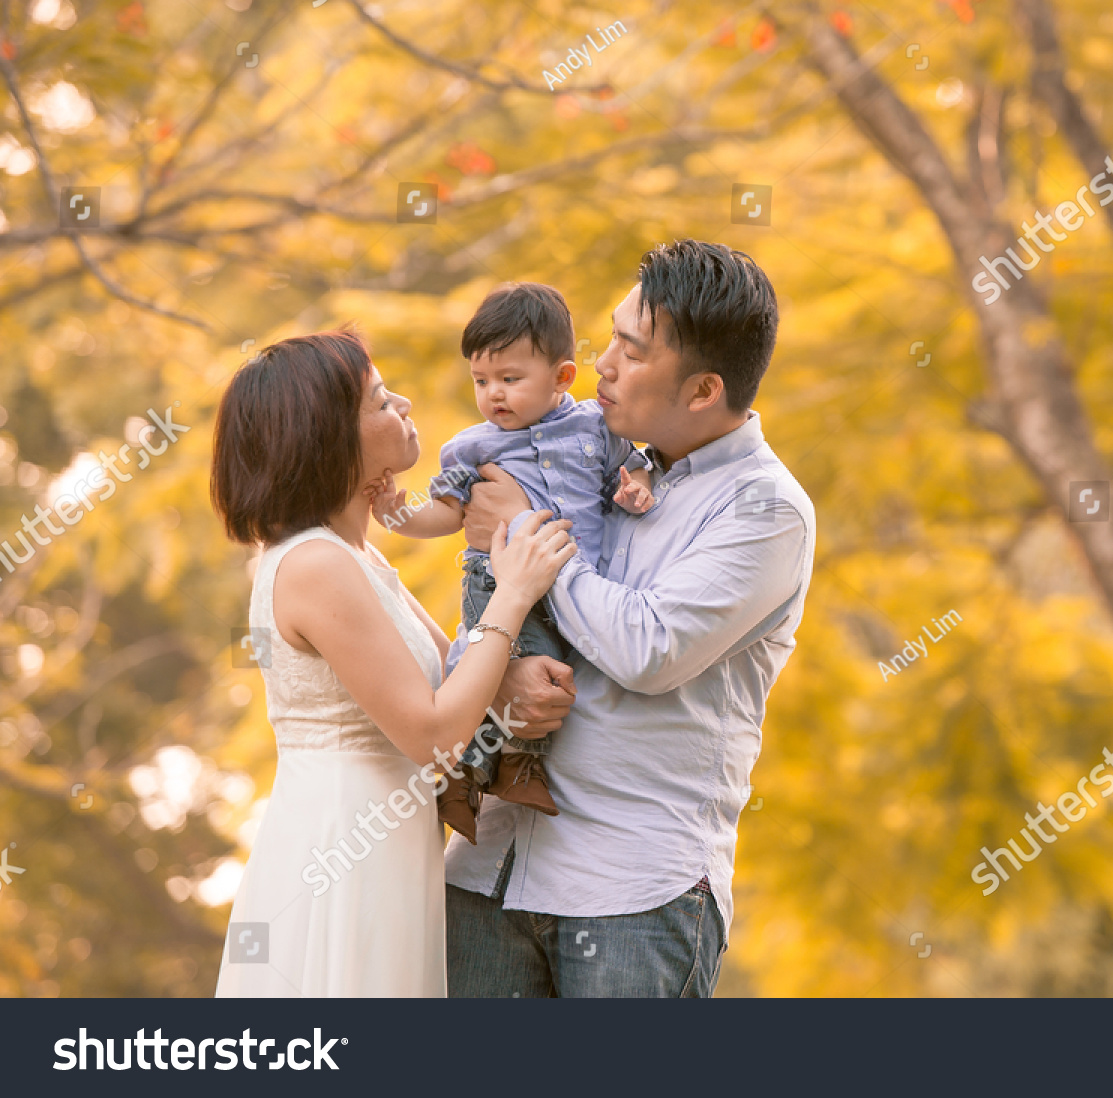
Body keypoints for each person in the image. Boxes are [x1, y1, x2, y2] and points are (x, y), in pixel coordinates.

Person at [445, 240, 816, 997]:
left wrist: (525, 535)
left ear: (704, 389)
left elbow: (649, 648)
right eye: (611, 337)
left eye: (633, 350)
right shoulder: (596, 462)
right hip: (488, 872)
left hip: (633, 895)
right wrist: (496, 676)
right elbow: (492, 604)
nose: (602, 364)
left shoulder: (766, 510)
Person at [209, 329, 575, 997]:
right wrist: (515, 590)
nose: (403, 404)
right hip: (345, 848)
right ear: (328, 437)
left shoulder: (355, 555)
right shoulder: (314, 564)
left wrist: (514, 678)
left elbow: (456, 674)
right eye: (380, 401)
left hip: (387, 840)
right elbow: (433, 734)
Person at [369, 283, 654, 831]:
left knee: (549, 675)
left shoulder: (595, 428)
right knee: (501, 663)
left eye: (510, 379)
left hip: (573, 585)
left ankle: (497, 768)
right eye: (481, 381)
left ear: (562, 376)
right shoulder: (473, 447)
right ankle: (477, 772)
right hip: (495, 578)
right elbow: (448, 514)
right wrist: (398, 516)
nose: (493, 394)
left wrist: (636, 486)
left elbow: (634, 463)